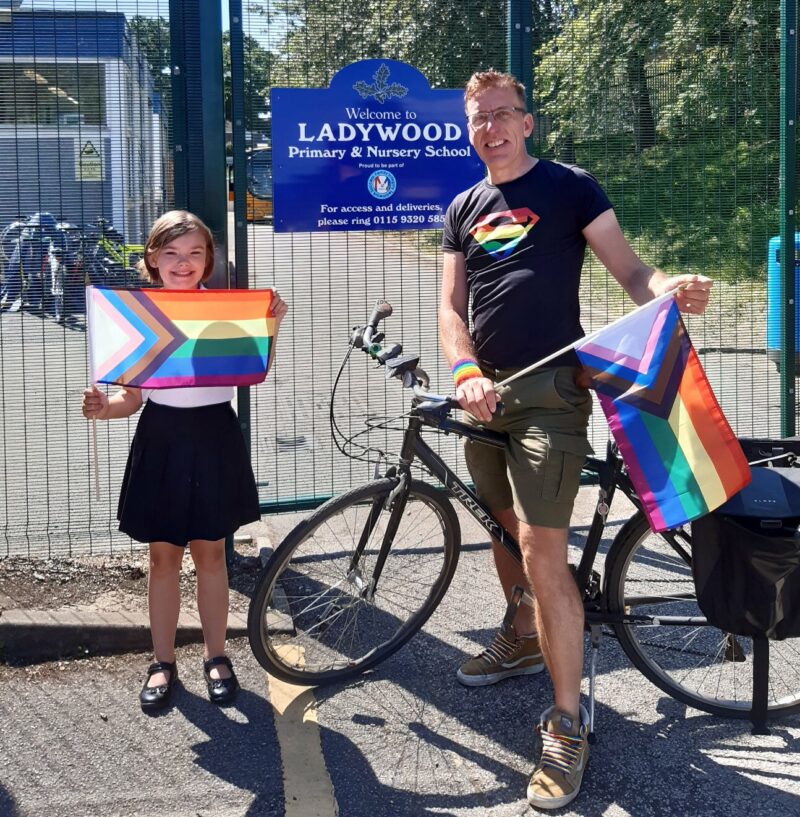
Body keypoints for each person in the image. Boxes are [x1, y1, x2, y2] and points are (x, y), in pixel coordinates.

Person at [438, 70, 712, 810]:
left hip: (551, 398)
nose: (489, 127)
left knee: (539, 548)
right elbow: (450, 308)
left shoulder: (569, 186)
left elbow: (630, 270)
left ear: (527, 122)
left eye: (501, 114)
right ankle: (523, 632)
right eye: (477, 119)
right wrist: (464, 370)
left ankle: (566, 721)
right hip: (482, 392)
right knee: (499, 529)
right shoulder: (463, 206)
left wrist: (670, 289)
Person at [82, 210, 288, 713]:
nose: (183, 262)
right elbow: (129, 401)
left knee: (212, 556)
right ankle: (162, 661)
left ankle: (217, 656)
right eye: (172, 253)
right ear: (152, 258)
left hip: (214, 436)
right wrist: (102, 408)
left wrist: (271, 326)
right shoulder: (140, 315)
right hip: (162, 439)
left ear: (208, 261)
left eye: (195, 253)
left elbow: (246, 373)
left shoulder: (223, 310)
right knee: (162, 559)